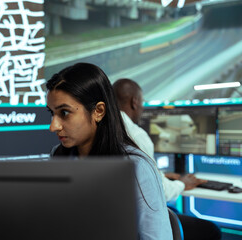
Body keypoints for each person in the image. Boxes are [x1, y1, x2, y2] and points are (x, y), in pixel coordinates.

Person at [46, 63, 173, 239]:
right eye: (51, 113)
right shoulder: (58, 157)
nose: (54, 126)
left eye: (64, 113)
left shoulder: (136, 167)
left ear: (98, 111)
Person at [113, 78, 222, 240]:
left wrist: (160, 176)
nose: (142, 108)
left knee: (176, 212)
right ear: (134, 102)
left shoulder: (108, 128)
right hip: (139, 220)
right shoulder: (136, 136)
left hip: (119, 217)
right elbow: (158, 193)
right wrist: (182, 184)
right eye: (142, 103)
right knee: (211, 230)